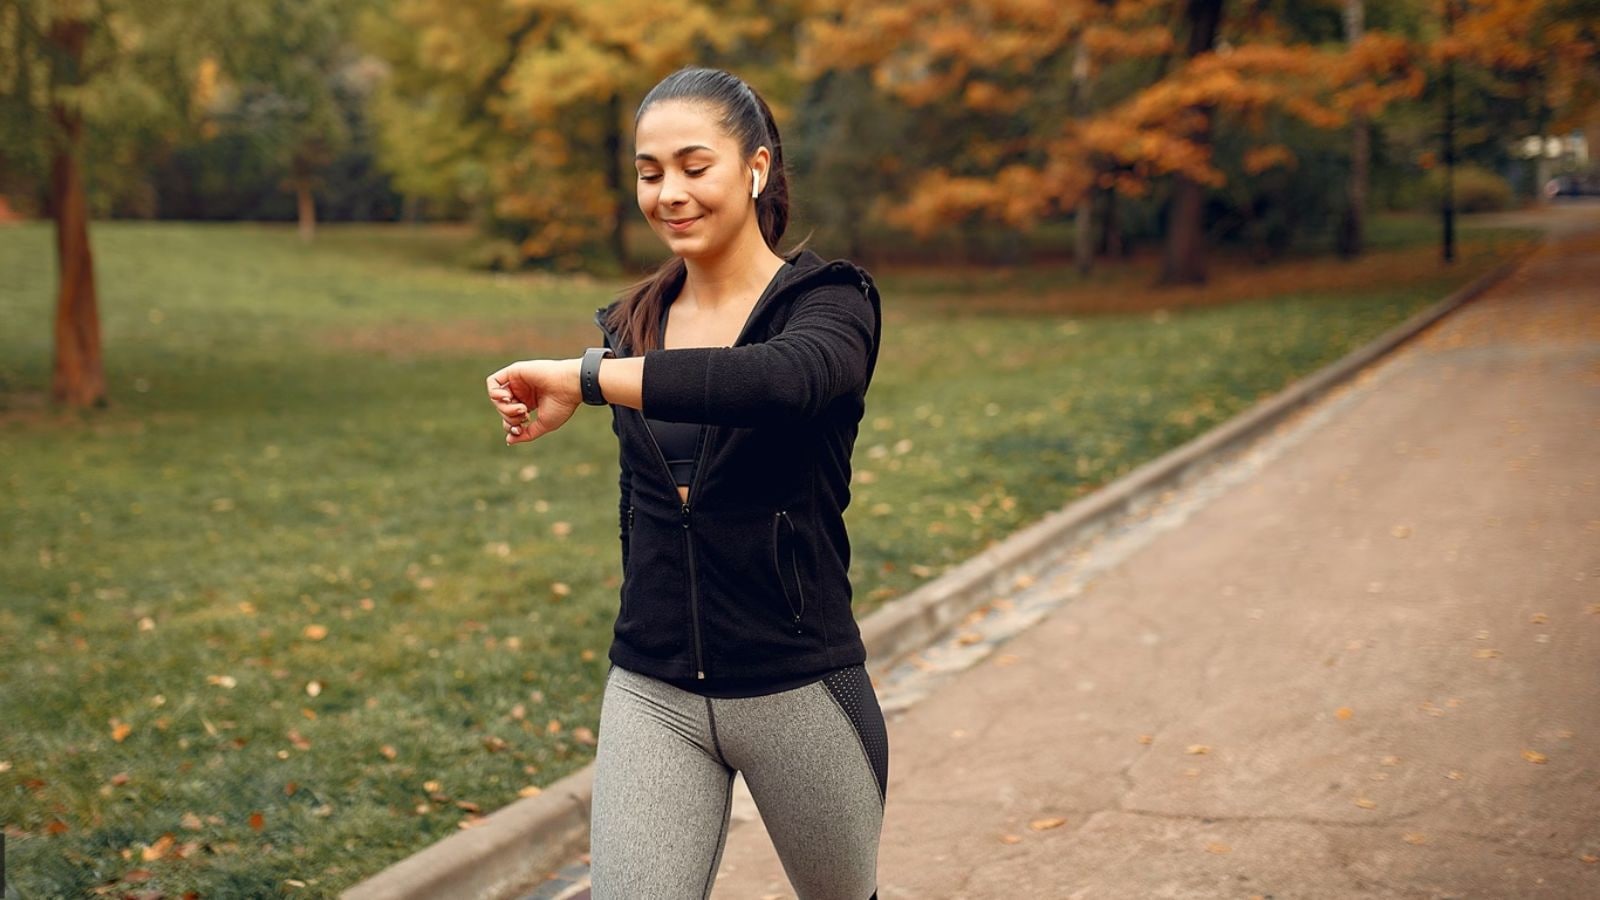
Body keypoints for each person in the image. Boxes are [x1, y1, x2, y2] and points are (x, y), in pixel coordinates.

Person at [484, 66, 888, 900]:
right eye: (649, 171)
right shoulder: (631, 321)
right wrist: (602, 370)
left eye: (694, 166)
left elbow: (775, 383)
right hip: (653, 691)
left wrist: (593, 379)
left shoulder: (829, 305)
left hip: (797, 685)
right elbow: (646, 506)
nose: (669, 192)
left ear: (757, 168)